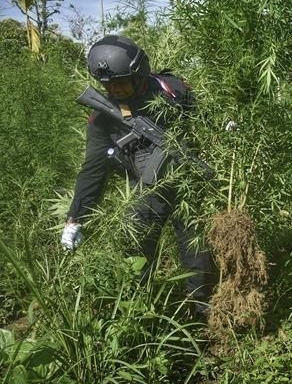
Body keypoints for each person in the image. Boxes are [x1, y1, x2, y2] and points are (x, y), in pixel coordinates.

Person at [60, 35, 216, 315]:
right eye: (108, 85)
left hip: (188, 186)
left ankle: (201, 310)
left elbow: (206, 121)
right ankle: (140, 313)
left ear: (139, 73)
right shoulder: (102, 117)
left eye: (120, 82)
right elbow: (93, 170)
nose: (115, 89)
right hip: (145, 192)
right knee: (135, 254)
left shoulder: (172, 90)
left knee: (198, 255)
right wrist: (75, 218)